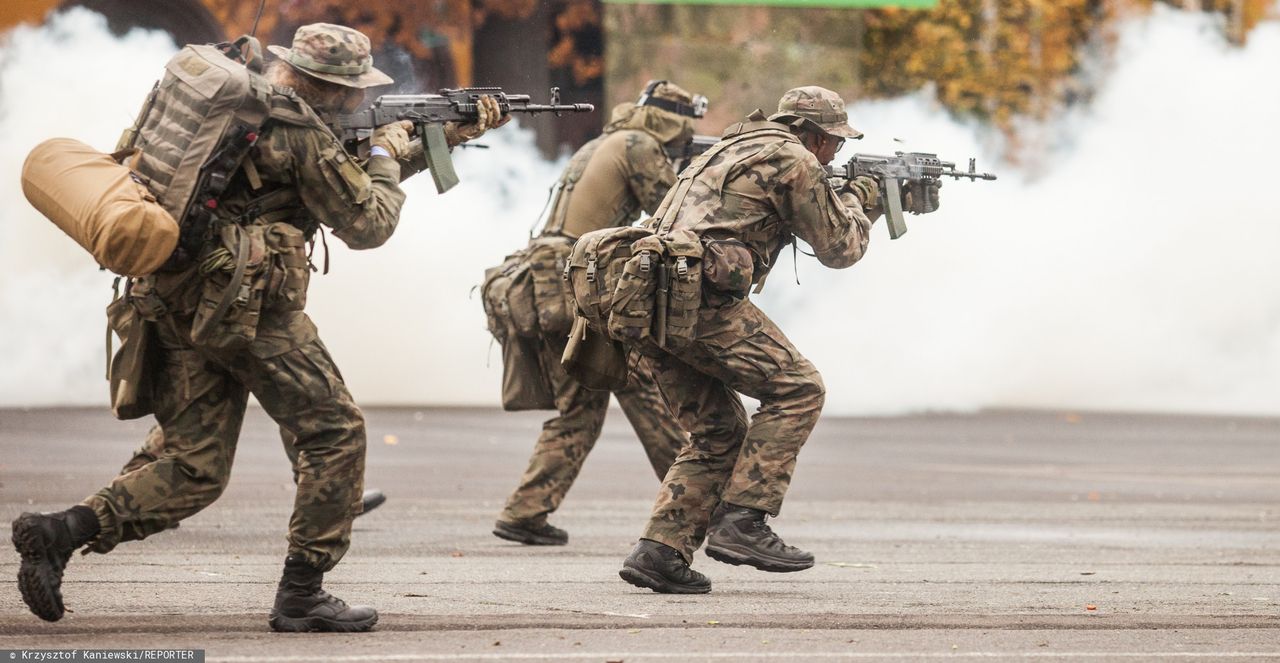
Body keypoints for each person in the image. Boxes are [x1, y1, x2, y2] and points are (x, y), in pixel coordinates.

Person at [10, 23, 504, 631]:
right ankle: (303, 591)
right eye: (354, 92)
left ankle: (60, 533)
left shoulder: (245, 105)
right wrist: (385, 150)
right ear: (335, 89)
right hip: (247, 308)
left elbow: (325, 192)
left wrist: (433, 142)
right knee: (334, 432)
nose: (359, 102)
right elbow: (366, 223)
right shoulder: (298, 130)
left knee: (194, 465)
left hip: (174, 291)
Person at [617, 86, 936, 594]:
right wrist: (863, 198)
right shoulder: (793, 159)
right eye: (834, 142)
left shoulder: (733, 145)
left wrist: (848, 192)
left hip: (649, 306)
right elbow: (841, 249)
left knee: (719, 431)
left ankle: (660, 550)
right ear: (813, 135)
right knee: (799, 388)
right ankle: (744, 522)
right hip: (699, 303)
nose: (837, 153)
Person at [490, 82, 705, 546]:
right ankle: (703, 508)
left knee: (580, 410)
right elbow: (675, 218)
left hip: (547, 282)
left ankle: (525, 512)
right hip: (579, 289)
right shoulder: (640, 146)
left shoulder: (602, 144)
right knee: (650, 395)